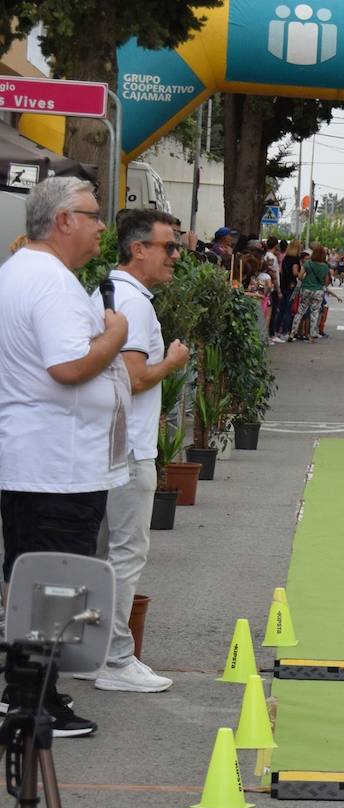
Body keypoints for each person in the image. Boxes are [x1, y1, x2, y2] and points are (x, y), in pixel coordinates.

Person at [0, 177, 127, 737]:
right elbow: (68, 368)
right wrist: (114, 337)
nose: (103, 225)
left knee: (34, 579)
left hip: (46, 459)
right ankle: (32, 699)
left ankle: (29, 692)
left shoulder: (30, 272)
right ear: (62, 221)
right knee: (53, 583)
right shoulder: (48, 281)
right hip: (56, 466)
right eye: (93, 214)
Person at [82, 209, 191, 692]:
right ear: (137, 248)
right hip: (126, 447)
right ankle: (115, 659)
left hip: (102, 443)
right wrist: (172, 360)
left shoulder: (110, 292)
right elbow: (134, 377)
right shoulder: (134, 303)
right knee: (126, 553)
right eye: (168, 246)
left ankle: (92, 653)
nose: (175, 256)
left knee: (101, 553)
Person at [291, 242, 331, 341]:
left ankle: (292, 333)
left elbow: (300, 276)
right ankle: (312, 335)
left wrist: (306, 281)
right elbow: (326, 282)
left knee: (300, 311)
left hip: (306, 289)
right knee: (315, 313)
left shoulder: (308, 263)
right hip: (318, 291)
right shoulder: (325, 266)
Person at [273, 239, 302, 343]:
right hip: (291, 286)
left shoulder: (285, 258)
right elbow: (295, 272)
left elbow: (281, 271)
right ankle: (285, 332)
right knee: (288, 309)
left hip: (284, 284)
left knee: (281, 309)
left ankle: (276, 331)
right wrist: (301, 274)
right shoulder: (295, 259)